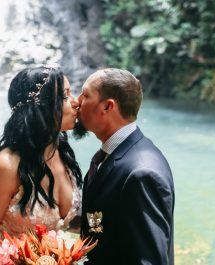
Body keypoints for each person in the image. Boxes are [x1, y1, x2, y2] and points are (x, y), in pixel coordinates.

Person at [0, 66, 82, 264]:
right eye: (65, 96)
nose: (75, 103)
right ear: (42, 106)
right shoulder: (7, 167)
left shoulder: (62, 153)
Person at [76, 68, 175, 264]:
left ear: (107, 106)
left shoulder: (142, 173)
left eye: (85, 94)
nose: (76, 101)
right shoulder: (111, 155)